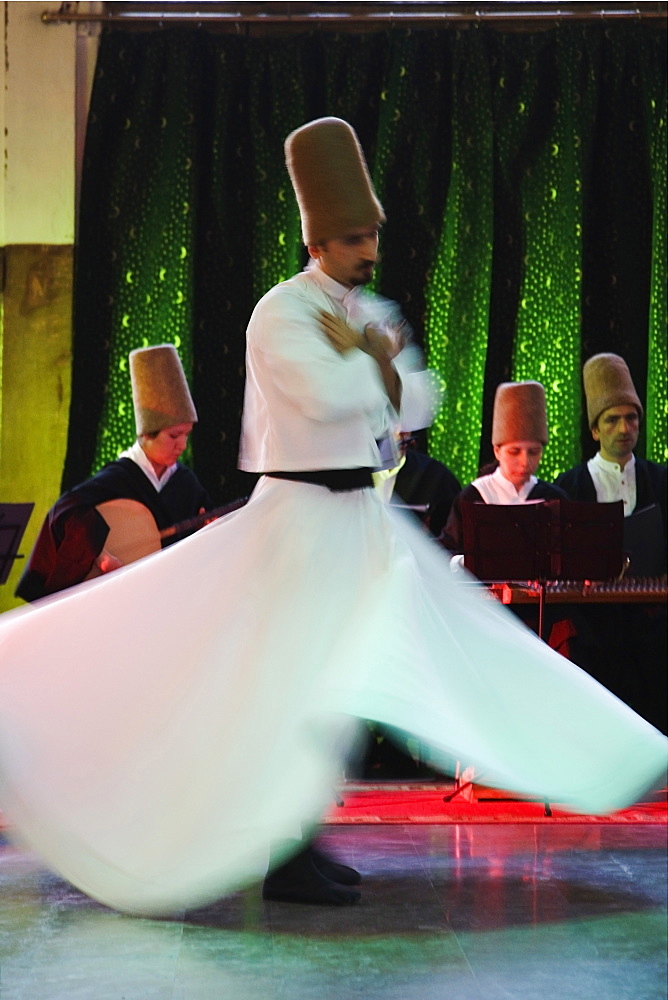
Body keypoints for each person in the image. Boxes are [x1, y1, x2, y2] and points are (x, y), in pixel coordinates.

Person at [0, 120, 665, 919]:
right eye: (357, 237)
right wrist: (375, 365)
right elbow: (328, 395)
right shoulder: (279, 313)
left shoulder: (363, 312)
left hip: (357, 517)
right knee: (296, 687)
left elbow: (417, 401)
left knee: (375, 675)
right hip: (301, 514)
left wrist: (382, 367)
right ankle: (280, 850)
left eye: (374, 234)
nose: (371, 250)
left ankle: (325, 836)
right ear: (320, 239)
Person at [15, 344, 212, 602]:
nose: (183, 445)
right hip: (119, 599)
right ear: (147, 434)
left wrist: (209, 531)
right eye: (174, 435)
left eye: (186, 434)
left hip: (167, 598)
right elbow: (62, 515)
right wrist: (99, 552)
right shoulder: (121, 477)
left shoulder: (186, 483)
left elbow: (200, 539)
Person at [554, 353, 667, 732]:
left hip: (654, 629)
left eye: (631, 417)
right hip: (595, 631)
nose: (624, 427)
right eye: (612, 419)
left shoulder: (661, 481)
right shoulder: (569, 488)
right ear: (595, 430)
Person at [440, 381, 568, 554]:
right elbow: (447, 550)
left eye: (534, 452)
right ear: (497, 451)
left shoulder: (553, 498)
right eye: (514, 452)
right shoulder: (473, 497)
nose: (525, 462)